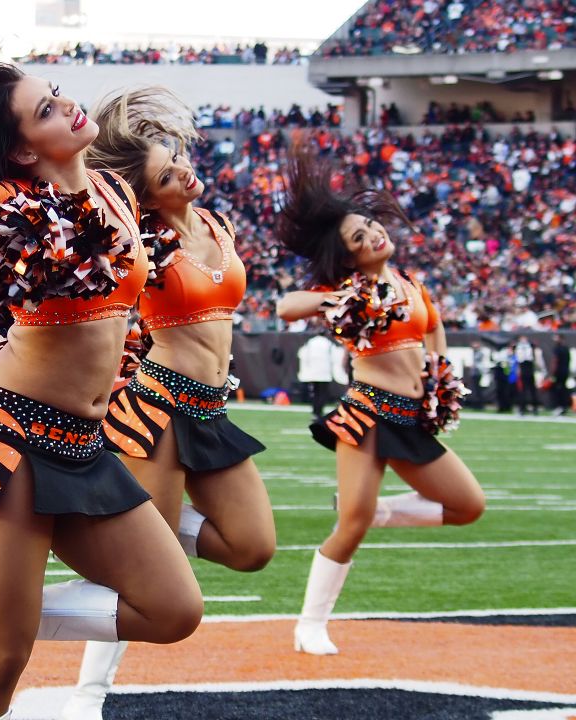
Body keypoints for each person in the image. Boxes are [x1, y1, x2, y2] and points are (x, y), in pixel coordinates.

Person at [0, 40, 201, 720]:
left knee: (174, 608)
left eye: (56, 92)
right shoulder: (17, 195)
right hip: (10, 440)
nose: (68, 105)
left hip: (84, 446)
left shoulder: (113, 189)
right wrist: (0, 213)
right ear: (25, 148)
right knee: (1, 665)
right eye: (47, 109)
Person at [61, 88, 273, 719]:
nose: (183, 168)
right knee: (141, 578)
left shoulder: (215, 224)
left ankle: (151, 526)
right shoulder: (140, 243)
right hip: (157, 407)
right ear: (145, 197)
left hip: (211, 408)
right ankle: (87, 695)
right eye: (164, 172)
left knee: (252, 547)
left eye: (175, 158)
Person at [273, 143, 485, 656]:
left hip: (413, 416)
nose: (373, 235)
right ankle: (310, 625)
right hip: (367, 414)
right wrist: (337, 296)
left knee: (467, 506)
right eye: (359, 238)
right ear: (348, 255)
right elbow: (286, 306)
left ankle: (379, 512)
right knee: (351, 525)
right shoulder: (350, 289)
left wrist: (440, 376)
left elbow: (434, 330)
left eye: (371, 226)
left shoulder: (412, 284)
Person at [298, 331, 336, 418]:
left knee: (315, 393)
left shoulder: (310, 342)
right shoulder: (328, 343)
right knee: (322, 393)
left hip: (313, 372)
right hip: (325, 373)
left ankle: (315, 411)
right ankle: (319, 412)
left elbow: (302, 355)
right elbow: (334, 357)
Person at [550, 333, 571, 415]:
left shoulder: (557, 349)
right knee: (563, 389)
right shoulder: (566, 348)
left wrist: (552, 373)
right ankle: (563, 406)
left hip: (559, 372)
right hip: (565, 371)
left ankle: (559, 406)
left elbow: (555, 361)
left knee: (558, 389)